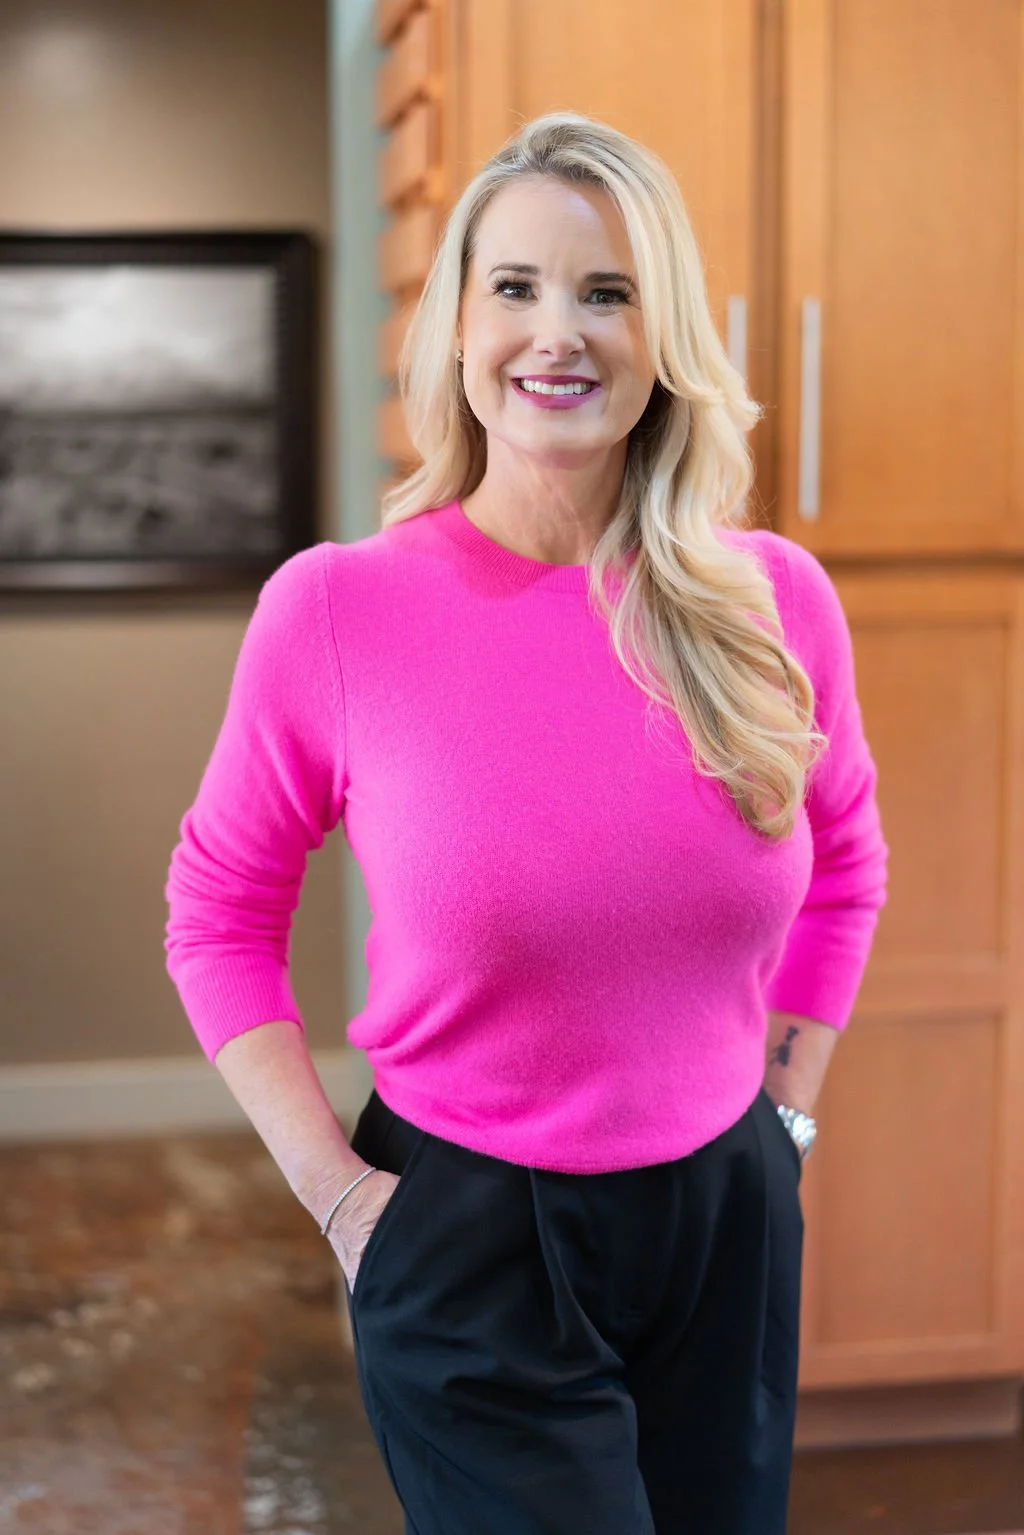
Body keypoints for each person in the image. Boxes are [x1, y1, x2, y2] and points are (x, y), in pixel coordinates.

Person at [164, 111, 888, 1535]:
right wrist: (336, 1196)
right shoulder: (338, 609)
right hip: (470, 1233)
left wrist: (788, 1110)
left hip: (727, 1213)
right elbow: (217, 913)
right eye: (516, 287)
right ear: (457, 326)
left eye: (608, 292)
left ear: (662, 335)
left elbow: (847, 864)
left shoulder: (772, 601)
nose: (559, 334)